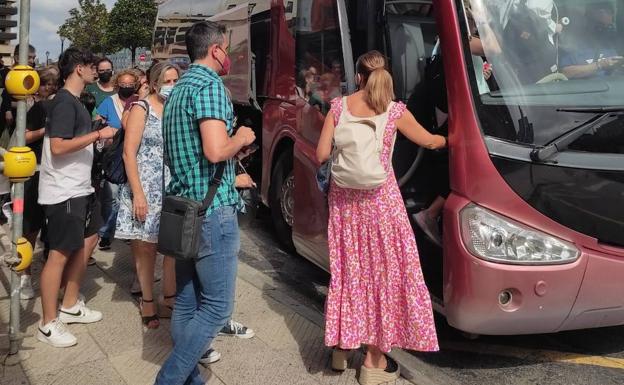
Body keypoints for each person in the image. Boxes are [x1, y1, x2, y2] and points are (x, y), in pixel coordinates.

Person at [316, 50, 443, 385]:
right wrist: (450, 138)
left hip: (345, 206)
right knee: (384, 276)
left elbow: (321, 155)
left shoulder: (338, 107)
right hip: (382, 205)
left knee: (349, 273)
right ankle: (373, 362)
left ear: (358, 76)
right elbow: (428, 142)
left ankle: (342, 348)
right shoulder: (395, 110)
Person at [155, 20, 256, 384]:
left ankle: (189, 378)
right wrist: (240, 136)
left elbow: (192, 151)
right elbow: (215, 150)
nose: (228, 56)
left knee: (186, 300)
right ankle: (170, 378)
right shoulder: (211, 86)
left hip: (184, 208)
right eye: (226, 49)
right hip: (212, 213)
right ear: (216, 50)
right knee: (216, 307)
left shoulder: (178, 87)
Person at [37, 47, 116, 348]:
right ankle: (47, 323)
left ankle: (69, 304)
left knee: (89, 240)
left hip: (81, 187)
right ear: (78, 68)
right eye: (91, 65)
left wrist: (96, 137)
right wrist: (97, 135)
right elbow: (57, 147)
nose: (96, 70)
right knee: (59, 253)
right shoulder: (64, 104)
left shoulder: (77, 103)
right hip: (63, 191)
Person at [115, 61, 179, 329]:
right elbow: (128, 153)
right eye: (168, 80)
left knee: (172, 248)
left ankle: (170, 299)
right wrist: (138, 195)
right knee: (146, 247)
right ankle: (148, 301)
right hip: (145, 185)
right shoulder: (142, 108)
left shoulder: (176, 109)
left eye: (176, 80)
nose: (172, 85)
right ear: (154, 82)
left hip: (170, 186)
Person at [19, 66, 59, 300]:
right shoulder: (36, 109)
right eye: (45, 83)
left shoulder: (60, 106)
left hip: (54, 173)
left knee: (51, 230)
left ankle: (48, 276)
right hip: (34, 172)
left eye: (53, 84)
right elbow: (24, 136)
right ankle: (25, 275)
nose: (49, 88)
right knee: (30, 227)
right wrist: (47, 130)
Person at [97, 69, 140, 250]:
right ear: (117, 85)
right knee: (112, 196)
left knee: (130, 196)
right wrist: (104, 134)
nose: (127, 87)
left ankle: (126, 230)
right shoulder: (110, 102)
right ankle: (106, 232)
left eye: (130, 84)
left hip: (135, 156)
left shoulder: (140, 102)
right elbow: (98, 121)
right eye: (123, 84)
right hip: (114, 156)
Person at [560, 2, 622, 79]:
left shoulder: (612, 46)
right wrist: (600, 65)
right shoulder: (571, 44)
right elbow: (565, 73)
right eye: (600, 26)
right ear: (587, 21)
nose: (604, 31)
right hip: (585, 90)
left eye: (609, 27)